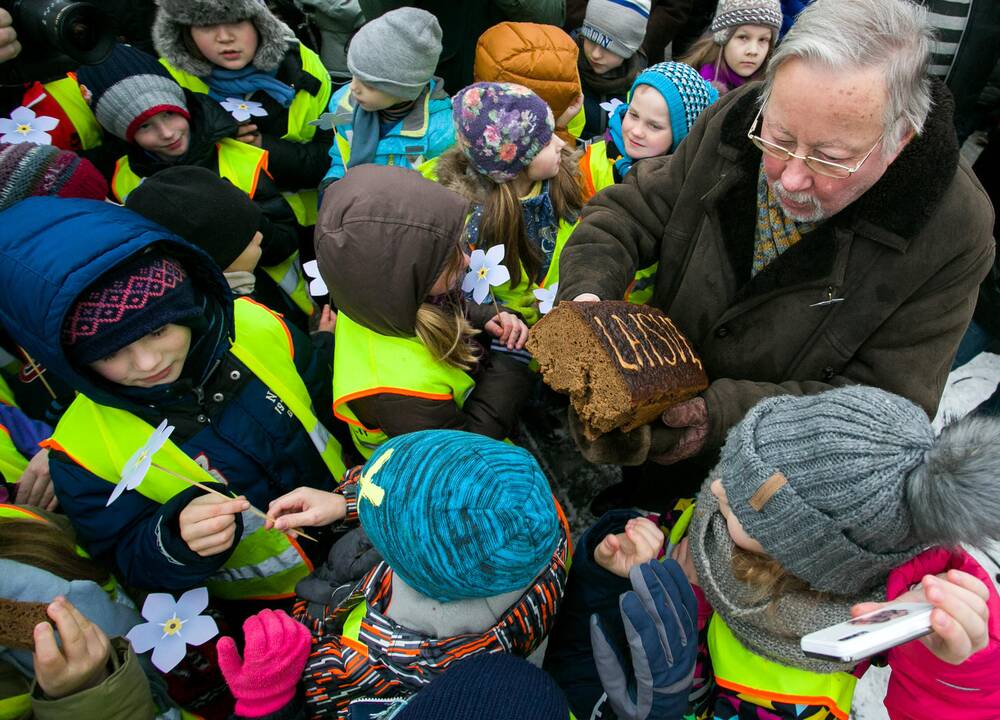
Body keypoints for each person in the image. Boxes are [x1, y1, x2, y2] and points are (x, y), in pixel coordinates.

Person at [556, 0, 996, 511]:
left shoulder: (954, 229)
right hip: (654, 418)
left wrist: (714, 415)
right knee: (632, 508)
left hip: (764, 496)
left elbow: (884, 407)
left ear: (899, 138)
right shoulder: (739, 113)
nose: (788, 178)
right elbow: (632, 212)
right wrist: (587, 307)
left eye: (830, 158)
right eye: (779, 139)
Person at [547, 386, 1000, 719]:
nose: (719, 489)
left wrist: (666, 705)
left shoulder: (793, 699)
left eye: (749, 506)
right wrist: (614, 569)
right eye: (733, 468)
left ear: (806, 556)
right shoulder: (718, 519)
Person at [0, 198, 346, 599]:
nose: (148, 362)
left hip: (359, 529)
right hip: (277, 606)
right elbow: (123, 556)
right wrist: (172, 543)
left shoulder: (256, 325)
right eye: (110, 353)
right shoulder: (80, 451)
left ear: (188, 307)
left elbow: (335, 411)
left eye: (159, 331)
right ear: (69, 362)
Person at [222, 430, 570, 719]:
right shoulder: (532, 513)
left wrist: (271, 699)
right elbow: (437, 494)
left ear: (411, 563)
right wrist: (347, 502)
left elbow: (323, 708)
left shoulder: (383, 669)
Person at [77, 43, 316, 325]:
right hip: (217, 317)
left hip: (287, 300)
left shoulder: (239, 150)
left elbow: (284, 241)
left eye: (169, 114)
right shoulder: (123, 182)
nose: (166, 133)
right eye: (144, 126)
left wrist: (232, 214)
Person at [315, 165, 532, 458]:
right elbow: (467, 450)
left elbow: (436, 306)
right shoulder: (399, 396)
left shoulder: (373, 298)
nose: (467, 260)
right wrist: (510, 364)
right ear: (405, 279)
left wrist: (484, 319)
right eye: (448, 256)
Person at [152, 0, 334, 221]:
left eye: (237, 21)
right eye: (206, 25)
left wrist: (262, 146)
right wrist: (211, 140)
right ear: (185, 31)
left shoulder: (305, 66)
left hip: (306, 223)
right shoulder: (167, 80)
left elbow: (333, 158)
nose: (224, 37)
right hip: (221, 226)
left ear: (261, 22)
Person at [0, 505, 179, 718]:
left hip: (198, 649)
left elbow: (112, 559)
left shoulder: (13, 521)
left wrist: (175, 549)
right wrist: (85, 690)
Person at [434, 82, 584, 327]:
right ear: (512, 164)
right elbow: (458, 292)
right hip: (506, 332)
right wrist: (492, 318)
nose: (560, 143)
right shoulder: (473, 222)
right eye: (545, 142)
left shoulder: (563, 181)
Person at [579, 61, 718, 304]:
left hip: (639, 306)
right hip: (579, 287)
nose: (636, 131)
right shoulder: (591, 160)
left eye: (654, 126)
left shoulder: (682, 188)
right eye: (633, 115)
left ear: (683, 135)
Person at [125, 166, 322, 333]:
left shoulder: (226, 296)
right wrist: (325, 341)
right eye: (247, 236)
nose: (260, 236)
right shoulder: (238, 325)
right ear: (220, 257)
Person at [318, 7, 454, 190]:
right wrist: (332, 182)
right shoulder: (344, 105)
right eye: (354, 74)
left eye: (369, 84)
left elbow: (436, 195)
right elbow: (340, 157)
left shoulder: (440, 132)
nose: (353, 87)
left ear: (403, 89)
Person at [474, 21, 586, 147]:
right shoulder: (537, 156)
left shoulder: (469, 128)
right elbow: (564, 165)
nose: (577, 82)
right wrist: (559, 129)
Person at [575, 0, 651, 140]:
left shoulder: (642, 86)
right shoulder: (565, 68)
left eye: (608, 48)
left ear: (629, 50)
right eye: (591, 40)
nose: (596, 54)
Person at [679, 0, 781, 95]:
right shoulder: (692, 91)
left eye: (763, 40)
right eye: (743, 37)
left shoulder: (776, 87)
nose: (753, 51)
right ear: (722, 38)